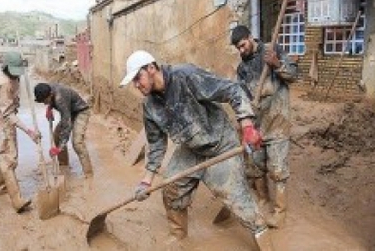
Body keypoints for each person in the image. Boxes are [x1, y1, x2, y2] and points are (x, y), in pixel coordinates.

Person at [120, 50, 274, 250]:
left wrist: (247, 126)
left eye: (137, 78)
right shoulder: (150, 105)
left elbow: (232, 90)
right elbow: (157, 144)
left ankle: (265, 241)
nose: (136, 85)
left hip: (220, 145)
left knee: (238, 201)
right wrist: (146, 181)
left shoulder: (186, 76)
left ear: (151, 69)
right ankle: (179, 236)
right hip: (191, 150)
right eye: (133, 81)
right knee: (171, 189)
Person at [230, 25, 298, 229]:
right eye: (238, 48)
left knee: (278, 170)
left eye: (242, 45)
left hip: (277, 120)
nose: (241, 51)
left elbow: (294, 75)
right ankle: (262, 199)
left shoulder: (272, 50)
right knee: (255, 166)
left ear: (251, 38)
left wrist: (277, 64)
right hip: (257, 125)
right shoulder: (242, 68)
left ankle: (279, 212)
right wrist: (245, 124)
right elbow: (240, 96)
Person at [0, 51, 41, 213]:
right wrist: (29, 131)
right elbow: (7, 113)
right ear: (6, 68)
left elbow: (13, 105)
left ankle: (0, 188)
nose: (16, 74)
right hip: (1, 121)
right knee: (10, 158)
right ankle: (17, 199)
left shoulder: (14, 77)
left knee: (6, 155)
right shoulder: (4, 83)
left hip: (8, 117)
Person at [33, 82, 93, 177]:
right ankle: (64, 166)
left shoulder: (60, 99)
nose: (44, 103)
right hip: (69, 111)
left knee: (77, 143)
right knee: (56, 136)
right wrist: (50, 107)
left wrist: (59, 148)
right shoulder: (48, 88)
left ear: (51, 94)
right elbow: (52, 101)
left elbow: (67, 125)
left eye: (45, 101)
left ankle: (89, 175)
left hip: (80, 112)